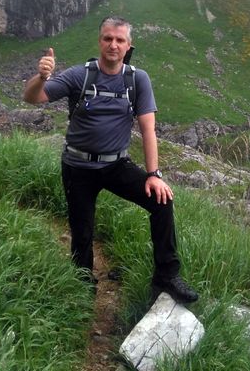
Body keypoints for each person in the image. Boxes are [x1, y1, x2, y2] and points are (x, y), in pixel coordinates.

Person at [23, 16, 198, 303]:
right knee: (82, 230)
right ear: (100, 41)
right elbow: (33, 97)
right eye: (108, 38)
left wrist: (154, 174)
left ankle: (166, 277)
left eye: (119, 40)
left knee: (162, 201)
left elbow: (148, 129)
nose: (113, 45)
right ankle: (83, 285)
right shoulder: (80, 75)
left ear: (129, 46)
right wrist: (41, 77)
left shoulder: (137, 79)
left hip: (116, 164)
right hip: (78, 166)